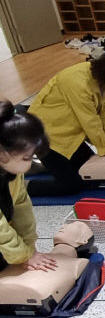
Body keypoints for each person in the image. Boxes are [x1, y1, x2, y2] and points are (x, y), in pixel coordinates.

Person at [27, 56, 105, 197]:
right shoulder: (76, 81)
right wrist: (103, 149)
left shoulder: (101, 80)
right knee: (72, 186)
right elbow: (89, 120)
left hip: (70, 134)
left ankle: (41, 168)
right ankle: (23, 188)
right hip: (45, 135)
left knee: (90, 171)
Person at [0, 100, 57, 272]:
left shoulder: (11, 171)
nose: (29, 165)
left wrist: (29, 247)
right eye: (27, 158)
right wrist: (23, 255)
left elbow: (21, 205)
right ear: (2, 153)